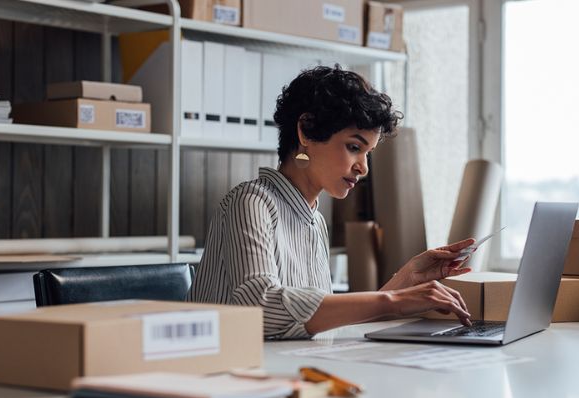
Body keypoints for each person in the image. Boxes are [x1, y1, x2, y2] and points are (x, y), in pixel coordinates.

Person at [187, 65, 475, 339]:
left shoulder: (314, 220)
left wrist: (409, 277)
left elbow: (319, 321)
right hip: (228, 378)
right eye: (354, 147)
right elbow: (261, 307)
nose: (364, 168)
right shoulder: (250, 202)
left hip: (291, 370)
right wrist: (393, 299)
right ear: (306, 131)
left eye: (368, 154)